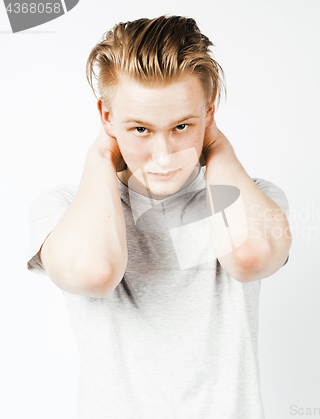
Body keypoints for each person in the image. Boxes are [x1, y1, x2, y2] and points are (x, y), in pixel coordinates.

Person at [27, 14, 291, 419]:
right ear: (106, 117)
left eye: (182, 126)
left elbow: (250, 258)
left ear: (209, 113)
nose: (165, 155)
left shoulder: (255, 196)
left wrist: (216, 145)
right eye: (141, 130)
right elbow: (94, 273)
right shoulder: (63, 208)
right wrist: (100, 154)